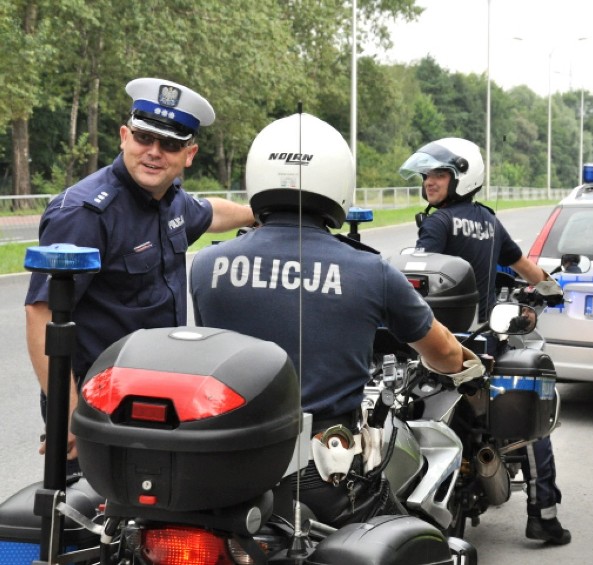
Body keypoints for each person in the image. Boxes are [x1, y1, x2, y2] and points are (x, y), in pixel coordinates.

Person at [189, 112, 481, 528]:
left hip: (222, 467)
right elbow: (446, 353)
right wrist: (471, 369)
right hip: (322, 478)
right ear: (338, 182)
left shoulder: (206, 264)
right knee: (429, 545)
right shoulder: (371, 272)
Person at [25, 77, 256, 466]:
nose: (154, 153)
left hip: (157, 399)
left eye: (169, 144)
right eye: (144, 138)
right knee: (86, 519)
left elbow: (213, 212)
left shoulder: (171, 200)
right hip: (98, 407)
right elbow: (41, 313)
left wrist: (264, 210)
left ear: (189, 153)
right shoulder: (84, 213)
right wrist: (69, 416)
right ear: (123, 136)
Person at [398, 137, 572, 545]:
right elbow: (521, 264)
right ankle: (543, 514)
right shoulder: (489, 221)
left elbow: (415, 276)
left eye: (440, 175)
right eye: (427, 176)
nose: (430, 182)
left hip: (438, 340)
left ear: (462, 177)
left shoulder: (438, 223)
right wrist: (550, 288)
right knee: (526, 414)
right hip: (484, 339)